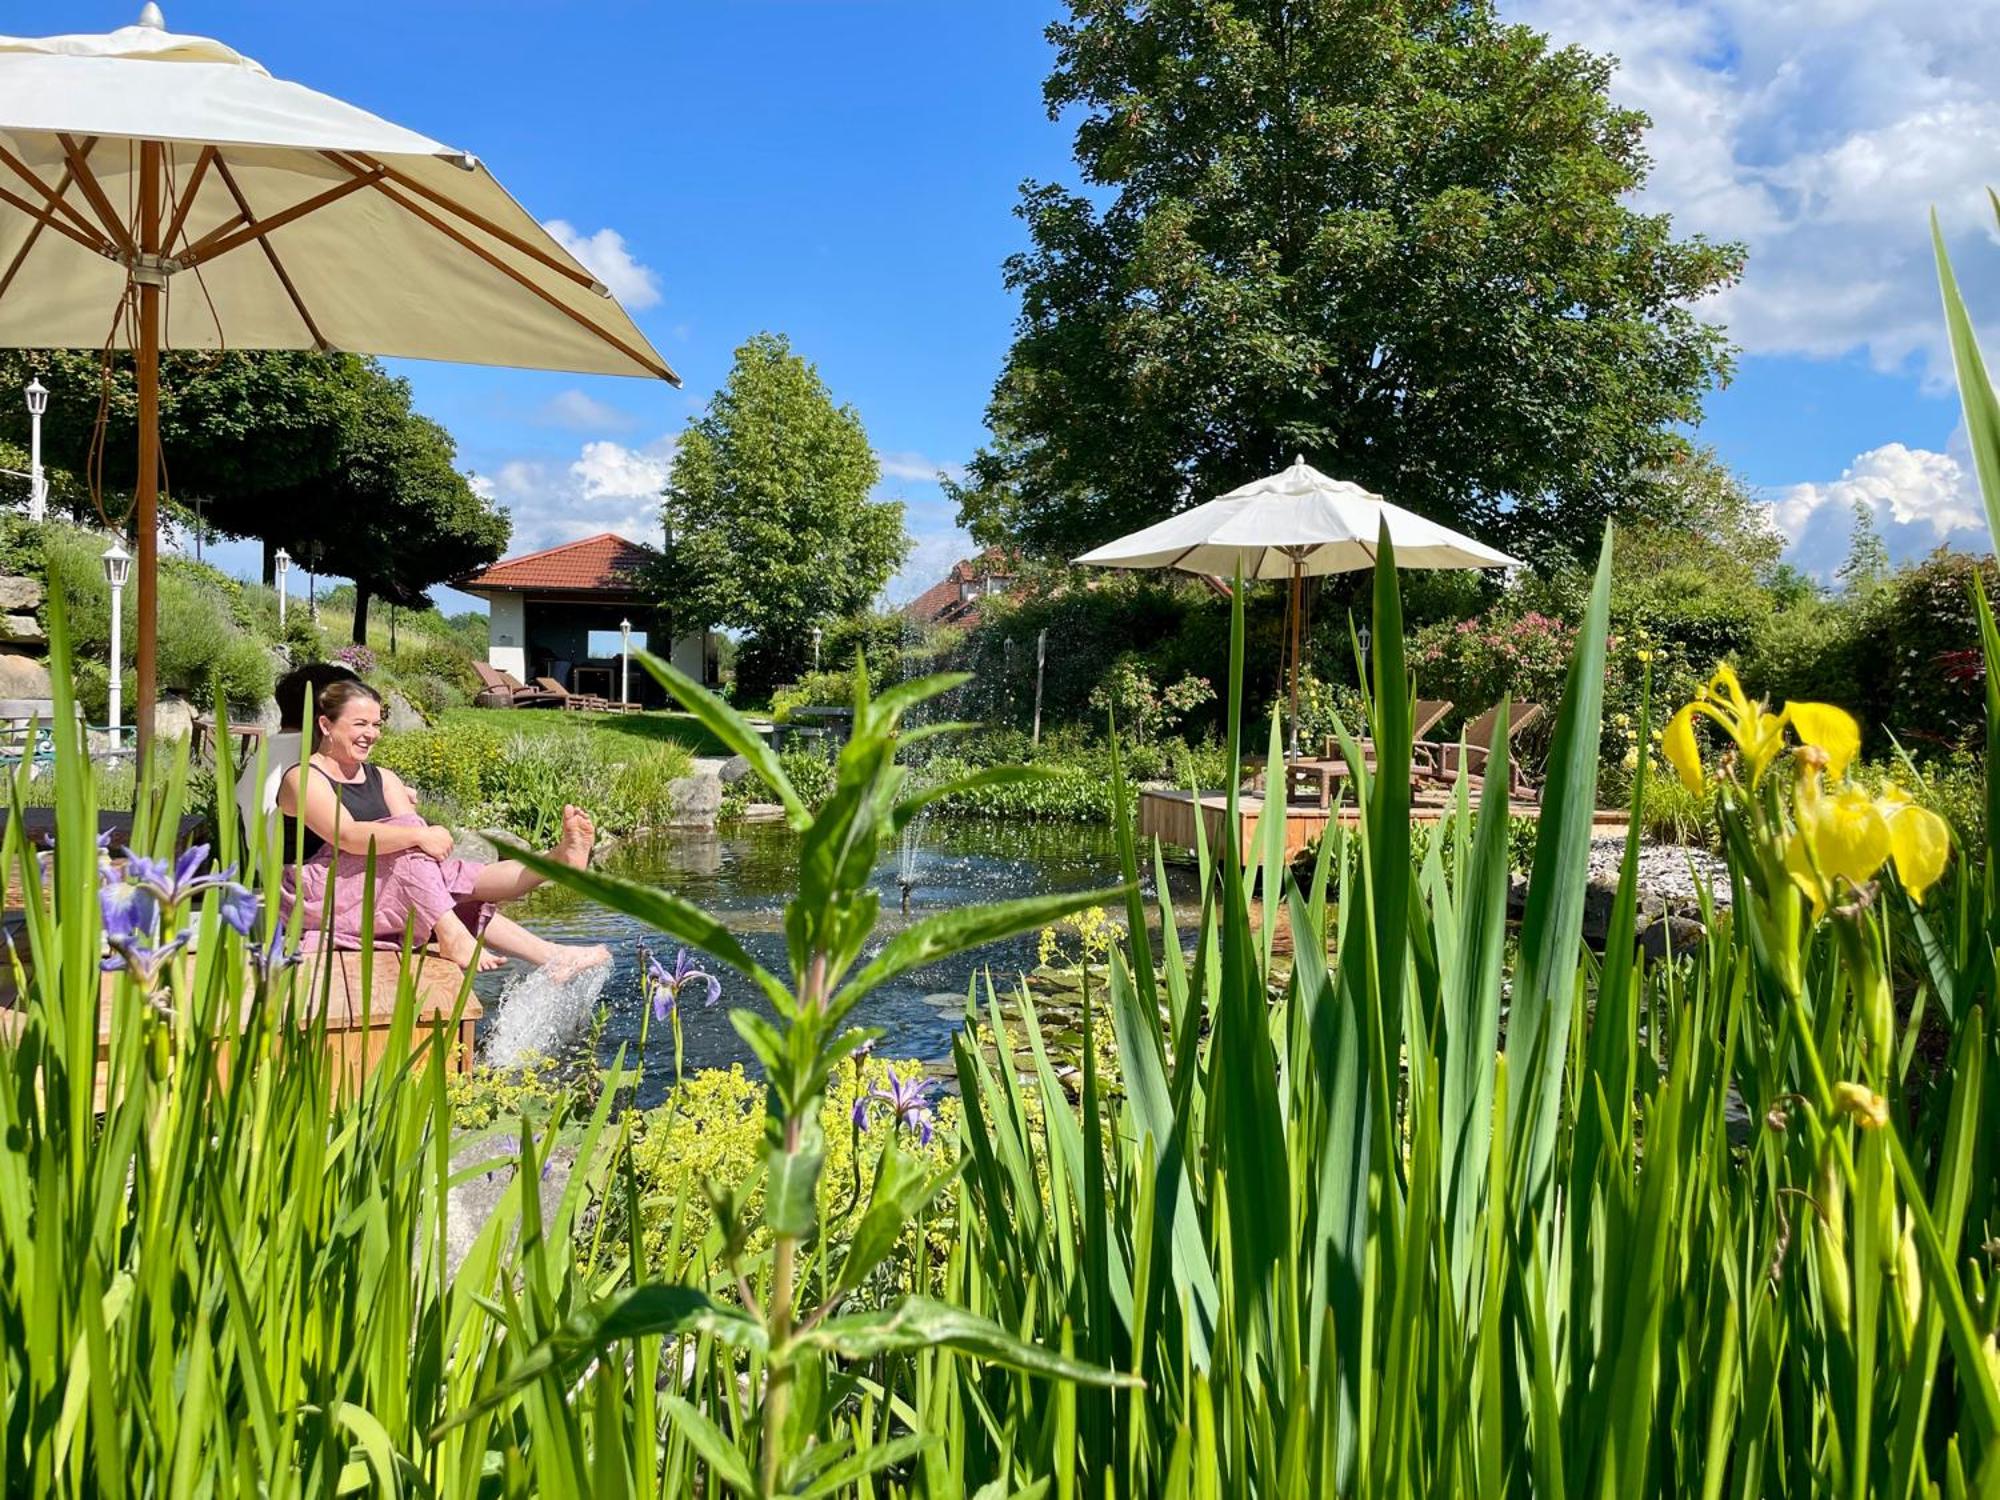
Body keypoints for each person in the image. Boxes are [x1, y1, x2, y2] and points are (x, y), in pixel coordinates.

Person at [276, 678, 610, 974]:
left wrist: (419, 836)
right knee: (410, 854)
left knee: (432, 874)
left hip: (373, 886)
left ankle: (554, 895)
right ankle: (458, 934)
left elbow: (414, 842)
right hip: (317, 895)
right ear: (325, 724)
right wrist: (420, 835)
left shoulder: (383, 778)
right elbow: (347, 835)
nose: (371, 734)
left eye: (376, 724)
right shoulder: (303, 778)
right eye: (360, 724)